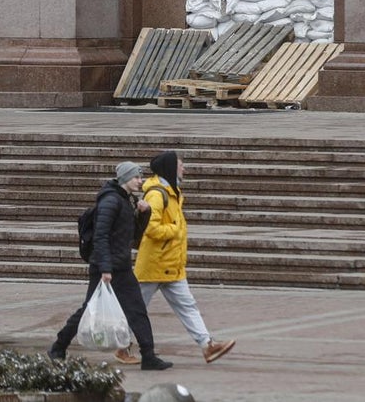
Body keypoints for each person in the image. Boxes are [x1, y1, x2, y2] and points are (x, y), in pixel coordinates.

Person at [49, 161, 173, 371]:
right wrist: (105, 268)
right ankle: (58, 346)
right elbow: (101, 236)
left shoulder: (127, 200)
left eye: (140, 177)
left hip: (121, 266)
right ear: (125, 178)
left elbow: (134, 237)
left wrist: (144, 214)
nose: (140, 181)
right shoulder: (110, 201)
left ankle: (149, 356)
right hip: (104, 268)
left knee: (136, 310)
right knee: (89, 308)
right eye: (136, 177)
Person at [117, 150, 236, 365]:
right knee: (137, 308)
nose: (184, 168)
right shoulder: (157, 194)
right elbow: (151, 229)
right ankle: (122, 346)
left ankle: (207, 345)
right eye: (181, 164)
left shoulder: (173, 191)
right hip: (154, 264)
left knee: (187, 305)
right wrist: (175, 230)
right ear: (171, 168)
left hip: (171, 265)